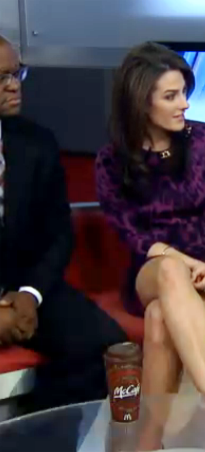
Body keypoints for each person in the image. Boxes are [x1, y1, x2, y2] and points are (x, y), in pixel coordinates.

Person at [95, 42, 205, 441]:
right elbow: (134, 236)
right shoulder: (112, 160)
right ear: (140, 102)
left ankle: (146, 443)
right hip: (151, 269)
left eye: (184, 93)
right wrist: (183, 263)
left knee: (160, 319)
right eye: (170, 96)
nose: (184, 104)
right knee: (168, 271)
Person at [0, 35, 128, 413]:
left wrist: (29, 294)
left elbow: (58, 232)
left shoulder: (36, 143)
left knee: (105, 344)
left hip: (26, 284)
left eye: (17, 73)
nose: (14, 85)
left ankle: (39, 433)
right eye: (2, 77)